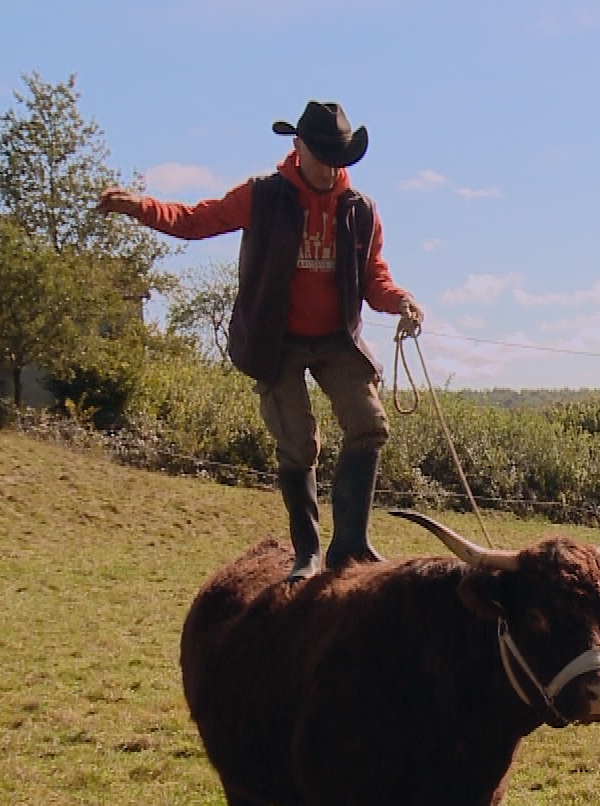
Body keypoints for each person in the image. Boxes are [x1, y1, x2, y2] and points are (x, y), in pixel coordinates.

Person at [97, 101, 425, 582]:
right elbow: (195, 219)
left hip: (337, 340)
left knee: (369, 423)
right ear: (298, 147)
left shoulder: (361, 211)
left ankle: (350, 546)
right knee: (298, 445)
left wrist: (402, 301)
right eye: (323, 154)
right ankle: (307, 552)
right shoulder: (262, 196)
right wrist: (141, 207)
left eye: (339, 156)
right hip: (278, 342)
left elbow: (376, 279)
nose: (331, 165)